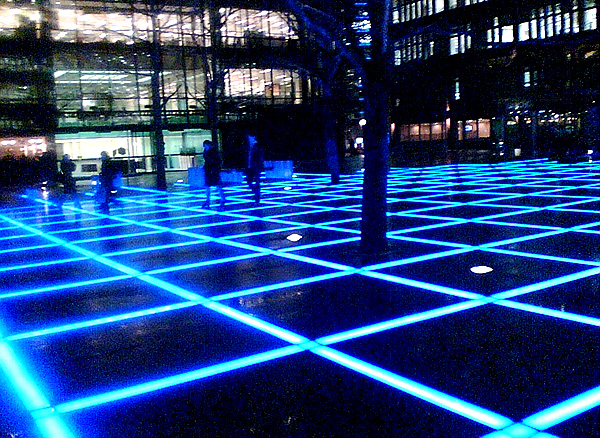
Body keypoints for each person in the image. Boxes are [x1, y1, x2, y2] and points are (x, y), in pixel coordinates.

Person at [201, 139, 226, 209]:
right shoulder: (209, 152)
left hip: (212, 171)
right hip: (210, 171)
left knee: (216, 185)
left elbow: (215, 161)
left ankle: (221, 198)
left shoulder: (212, 152)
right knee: (212, 185)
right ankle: (210, 199)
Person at [244, 133, 264, 205]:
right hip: (250, 167)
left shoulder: (258, 147)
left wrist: (258, 166)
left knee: (256, 182)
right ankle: (256, 193)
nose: (248, 139)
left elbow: (260, 158)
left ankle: (257, 197)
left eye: (250, 137)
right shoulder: (249, 147)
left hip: (256, 168)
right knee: (249, 182)